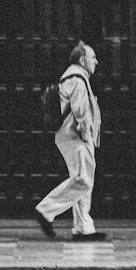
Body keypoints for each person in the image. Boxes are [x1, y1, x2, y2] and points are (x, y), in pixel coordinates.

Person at [33, 40, 106, 241]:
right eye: (92, 58)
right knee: (83, 180)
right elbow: (80, 110)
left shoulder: (76, 77)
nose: (96, 61)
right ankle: (45, 211)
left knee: (83, 181)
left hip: (72, 136)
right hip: (75, 136)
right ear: (82, 60)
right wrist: (86, 135)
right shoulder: (76, 78)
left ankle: (83, 228)